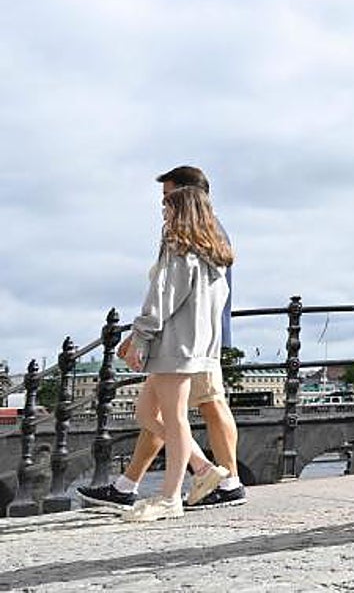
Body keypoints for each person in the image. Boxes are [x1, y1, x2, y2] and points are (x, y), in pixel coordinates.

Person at [80, 167, 245, 514]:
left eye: (167, 200)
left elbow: (164, 295)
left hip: (177, 346)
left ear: (184, 200)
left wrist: (140, 335)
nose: (162, 208)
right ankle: (204, 470)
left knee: (181, 415)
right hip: (197, 345)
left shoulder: (181, 243)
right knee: (149, 412)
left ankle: (175, 495)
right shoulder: (215, 246)